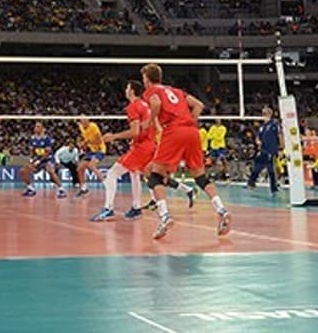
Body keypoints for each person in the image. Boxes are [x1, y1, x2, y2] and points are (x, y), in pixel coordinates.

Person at [139, 63, 231, 238]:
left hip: (173, 131)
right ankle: (222, 210)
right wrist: (191, 122)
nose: (144, 82)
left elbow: (156, 104)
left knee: (155, 176)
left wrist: (150, 121)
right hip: (192, 131)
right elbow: (199, 105)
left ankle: (165, 216)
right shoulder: (176, 91)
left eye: (144, 79)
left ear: (148, 80)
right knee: (201, 177)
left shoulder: (152, 91)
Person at [90, 81, 155, 221]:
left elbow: (135, 131)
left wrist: (114, 136)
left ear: (132, 91)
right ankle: (136, 208)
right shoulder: (145, 105)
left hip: (141, 147)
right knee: (135, 174)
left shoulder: (133, 106)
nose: (125, 90)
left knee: (112, 174)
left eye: (127, 87)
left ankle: (108, 209)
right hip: (149, 145)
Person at [20, 122, 66, 198]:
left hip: (47, 159)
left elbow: (48, 152)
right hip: (37, 159)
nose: (36, 128)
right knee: (23, 171)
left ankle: (61, 190)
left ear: (42, 129)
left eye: (38, 127)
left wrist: (40, 161)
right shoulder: (32, 138)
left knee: (50, 170)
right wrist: (31, 159)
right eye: (35, 126)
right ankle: (30, 188)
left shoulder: (47, 139)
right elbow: (32, 150)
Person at [246, 106, 280, 194]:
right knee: (257, 166)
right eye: (262, 114)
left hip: (271, 151)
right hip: (263, 150)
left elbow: (279, 135)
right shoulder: (263, 126)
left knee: (271, 170)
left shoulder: (274, 124)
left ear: (269, 114)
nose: (263, 115)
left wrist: (281, 148)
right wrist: (258, 141)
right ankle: (251, 182)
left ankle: (273, 188)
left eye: (265, 113)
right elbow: (258, 137)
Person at [77, 116, 107, 196]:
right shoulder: (81, 128)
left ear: (88, 121)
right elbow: (85, 139)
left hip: (100, 150)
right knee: (80, 168)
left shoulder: (93, 126)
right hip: (91, 151)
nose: (83, 123)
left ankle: (107, 184)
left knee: (91, 165)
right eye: (81, 121)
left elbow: (99, 140)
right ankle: (84, 189)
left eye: (84, 121)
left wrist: (86, 142)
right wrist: (83, 145)